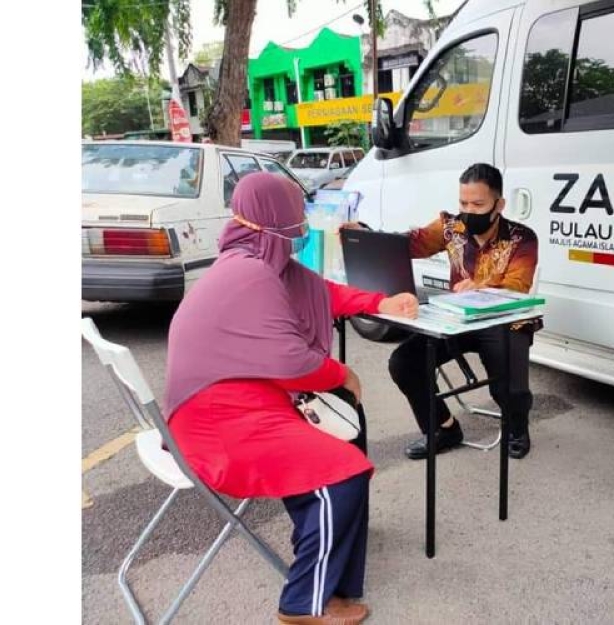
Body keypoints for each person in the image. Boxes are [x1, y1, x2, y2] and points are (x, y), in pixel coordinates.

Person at [164, 172, 418, 625]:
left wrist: (380, 303)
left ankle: (331, 539)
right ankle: (305, 604)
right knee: (343, 474)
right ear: (274, 216)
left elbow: (319, 293)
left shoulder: (253, 261)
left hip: (228, 402)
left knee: (347, 429)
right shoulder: (251, 273)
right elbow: (291, 361)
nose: (302, 223)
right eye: (296, 213)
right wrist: (345, 374)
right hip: (217, 422)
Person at [350, 163, 540, 460]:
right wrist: (365, 233)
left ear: (498, 204)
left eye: (478, 204)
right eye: (463, 203)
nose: (468, 210)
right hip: (458, 318)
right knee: (404, 362)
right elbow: (409, 243)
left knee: (510, 388)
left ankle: (517, 426)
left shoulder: (522, 238)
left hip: (503, 321)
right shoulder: (452, 227)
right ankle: (443, 428)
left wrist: (480, 286)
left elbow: (518, 285)